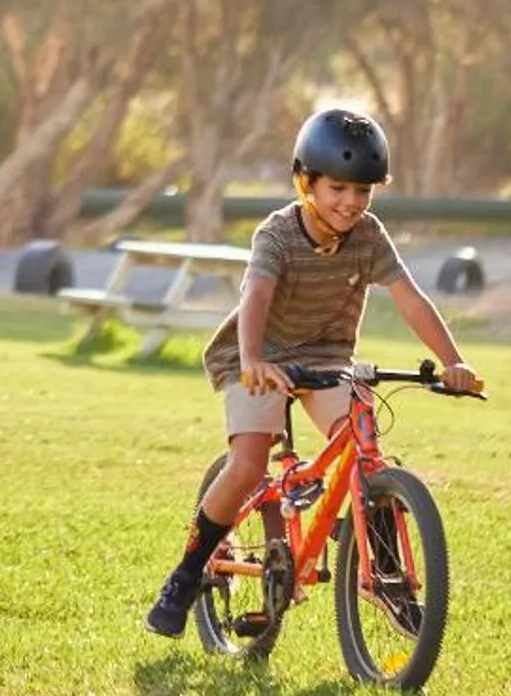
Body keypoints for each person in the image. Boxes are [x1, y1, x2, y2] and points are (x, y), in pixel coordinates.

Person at [144, 106, 483, 638]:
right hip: (257, 356)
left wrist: (454, 360)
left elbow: (411, 299)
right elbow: (254, 297)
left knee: (364, 447)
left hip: (326, 359)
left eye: (363, 191)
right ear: (306, 183)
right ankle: (186, 574)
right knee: (250, 464)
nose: (351, 203)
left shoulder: (369, 236)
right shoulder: (277, 234)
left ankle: (389, 580)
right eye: (338, 189)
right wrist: (254, 358)